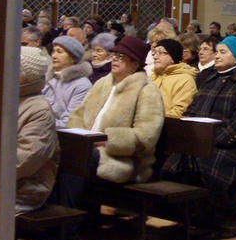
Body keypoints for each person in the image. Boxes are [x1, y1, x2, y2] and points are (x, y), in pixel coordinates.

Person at [163, 36, 236, 227]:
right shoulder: (209, 79)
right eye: (216, 52)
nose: (217, 56)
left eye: (223, 52)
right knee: (173, 165)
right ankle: (185, 216)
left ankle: (212, 221)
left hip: (231, 145)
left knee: (206, 169)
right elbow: (192, 110)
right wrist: (189, 133)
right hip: (202, 142)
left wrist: (213, 140)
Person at [66, 36, 164, 184]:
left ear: (135, 64)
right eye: (114, 55)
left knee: (80, 159)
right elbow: (78, 115)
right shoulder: (102, 83)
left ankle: (71, 200)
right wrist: (80, 137)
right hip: (88, 147)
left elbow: (146, 136)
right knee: (61, 153)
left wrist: (107, 140)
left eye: (121, 57)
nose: (114, 59)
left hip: (122, 160)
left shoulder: (147, 90)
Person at [16, 47, 60, 215]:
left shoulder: (40, 110)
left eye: (15, 68)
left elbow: (27, 159)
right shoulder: (2, 98)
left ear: (29, 77)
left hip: (24, 188)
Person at [43, 35, 92, 128]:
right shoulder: (48, 78)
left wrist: (37, 122)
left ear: (73, 58)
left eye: (59, 52)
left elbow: (69, 122)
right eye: (53, 51)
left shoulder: (82, 85)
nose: (54, 56)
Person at [150, 38, 198, 118]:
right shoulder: (153, 77)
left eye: (161, 53)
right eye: (154, 53)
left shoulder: (185, 80)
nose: (155, 57)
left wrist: (151, 119)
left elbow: (179, 112)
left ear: (172, 58)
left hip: (168, 124)